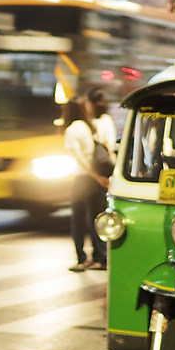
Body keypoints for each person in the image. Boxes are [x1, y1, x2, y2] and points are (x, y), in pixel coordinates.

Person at [64, 92, 116, 272]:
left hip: (82, 179)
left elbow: (80, 159)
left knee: (78, 220)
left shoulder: (72, 129)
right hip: (95, 181)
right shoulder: (88, 127)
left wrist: (94, 176)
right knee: (95, 219)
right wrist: (100, 178)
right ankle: (100, 257)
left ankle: (81, 258)